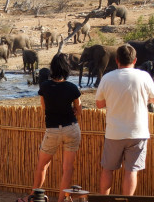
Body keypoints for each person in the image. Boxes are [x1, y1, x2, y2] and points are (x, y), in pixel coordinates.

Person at [20, 53, 82, 202]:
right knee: (67, 168)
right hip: (71, 128)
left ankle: (34, 197)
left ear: (52, 68)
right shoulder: (72, 87)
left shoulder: (45, 86)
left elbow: (44, 107)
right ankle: (62, 200)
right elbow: (78, 110)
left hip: (52, 130)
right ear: (67, 68)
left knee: (42, 165)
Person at [95, 44, 154, 195]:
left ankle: (104, 200)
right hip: (138, 132)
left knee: (107, 169)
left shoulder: (107, 78)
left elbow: (99, 104)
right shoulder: (144, 77)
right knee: (131, 171)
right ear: (135, 60)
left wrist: (114, 100)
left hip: (114, 132)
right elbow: (152, 99)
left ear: (116, 60)